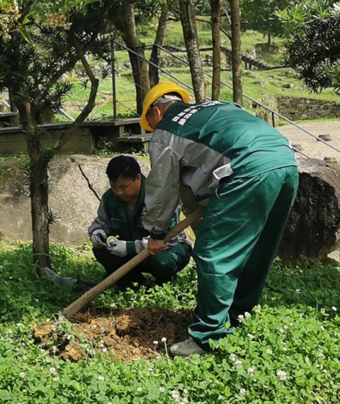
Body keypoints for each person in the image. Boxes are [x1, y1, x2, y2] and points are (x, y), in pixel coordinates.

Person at [139, 82, 298, 356]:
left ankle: (206, 338)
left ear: (156, 111)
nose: (151, 129)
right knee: (258, 249)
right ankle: (238, 315)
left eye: (149, 122)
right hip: (285, 161)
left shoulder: (167, 131)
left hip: (247, 169)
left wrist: (155, 231)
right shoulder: (216, 106)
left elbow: (162, 187)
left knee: (213, 252)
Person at [88, 155, 192, 290]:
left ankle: (163, 285)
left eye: (124, 186)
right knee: (100, 251)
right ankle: (134, 284)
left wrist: (129, 247)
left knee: (162, 262)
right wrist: (97, 231)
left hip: (168, 249)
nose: (118, 192)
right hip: (131, 251)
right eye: (114, 186)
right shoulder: (109, 198)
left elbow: (167, 239)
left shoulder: (159, 197)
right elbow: (102, 221)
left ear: (138, 178)